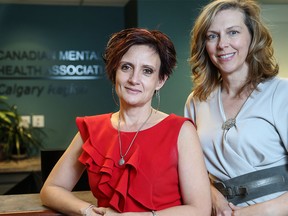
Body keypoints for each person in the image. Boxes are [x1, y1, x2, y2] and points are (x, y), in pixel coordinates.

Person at [40, 28, 211, 216]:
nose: (134, 79)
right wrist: (88, 211)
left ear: (160, 80)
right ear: (114, 72)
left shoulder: (181, 131)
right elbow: (51, 189)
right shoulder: (92, 129)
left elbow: (200, 209)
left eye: (147, 71)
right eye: (126, 67)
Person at [184, 0, 288, 215]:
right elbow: (191, 169)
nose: (222, 44)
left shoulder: (282, 93)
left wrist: (248, 213)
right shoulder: (196, 101)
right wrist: (212, 194)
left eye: (233, 32)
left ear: (253, 37)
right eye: (212, 36)